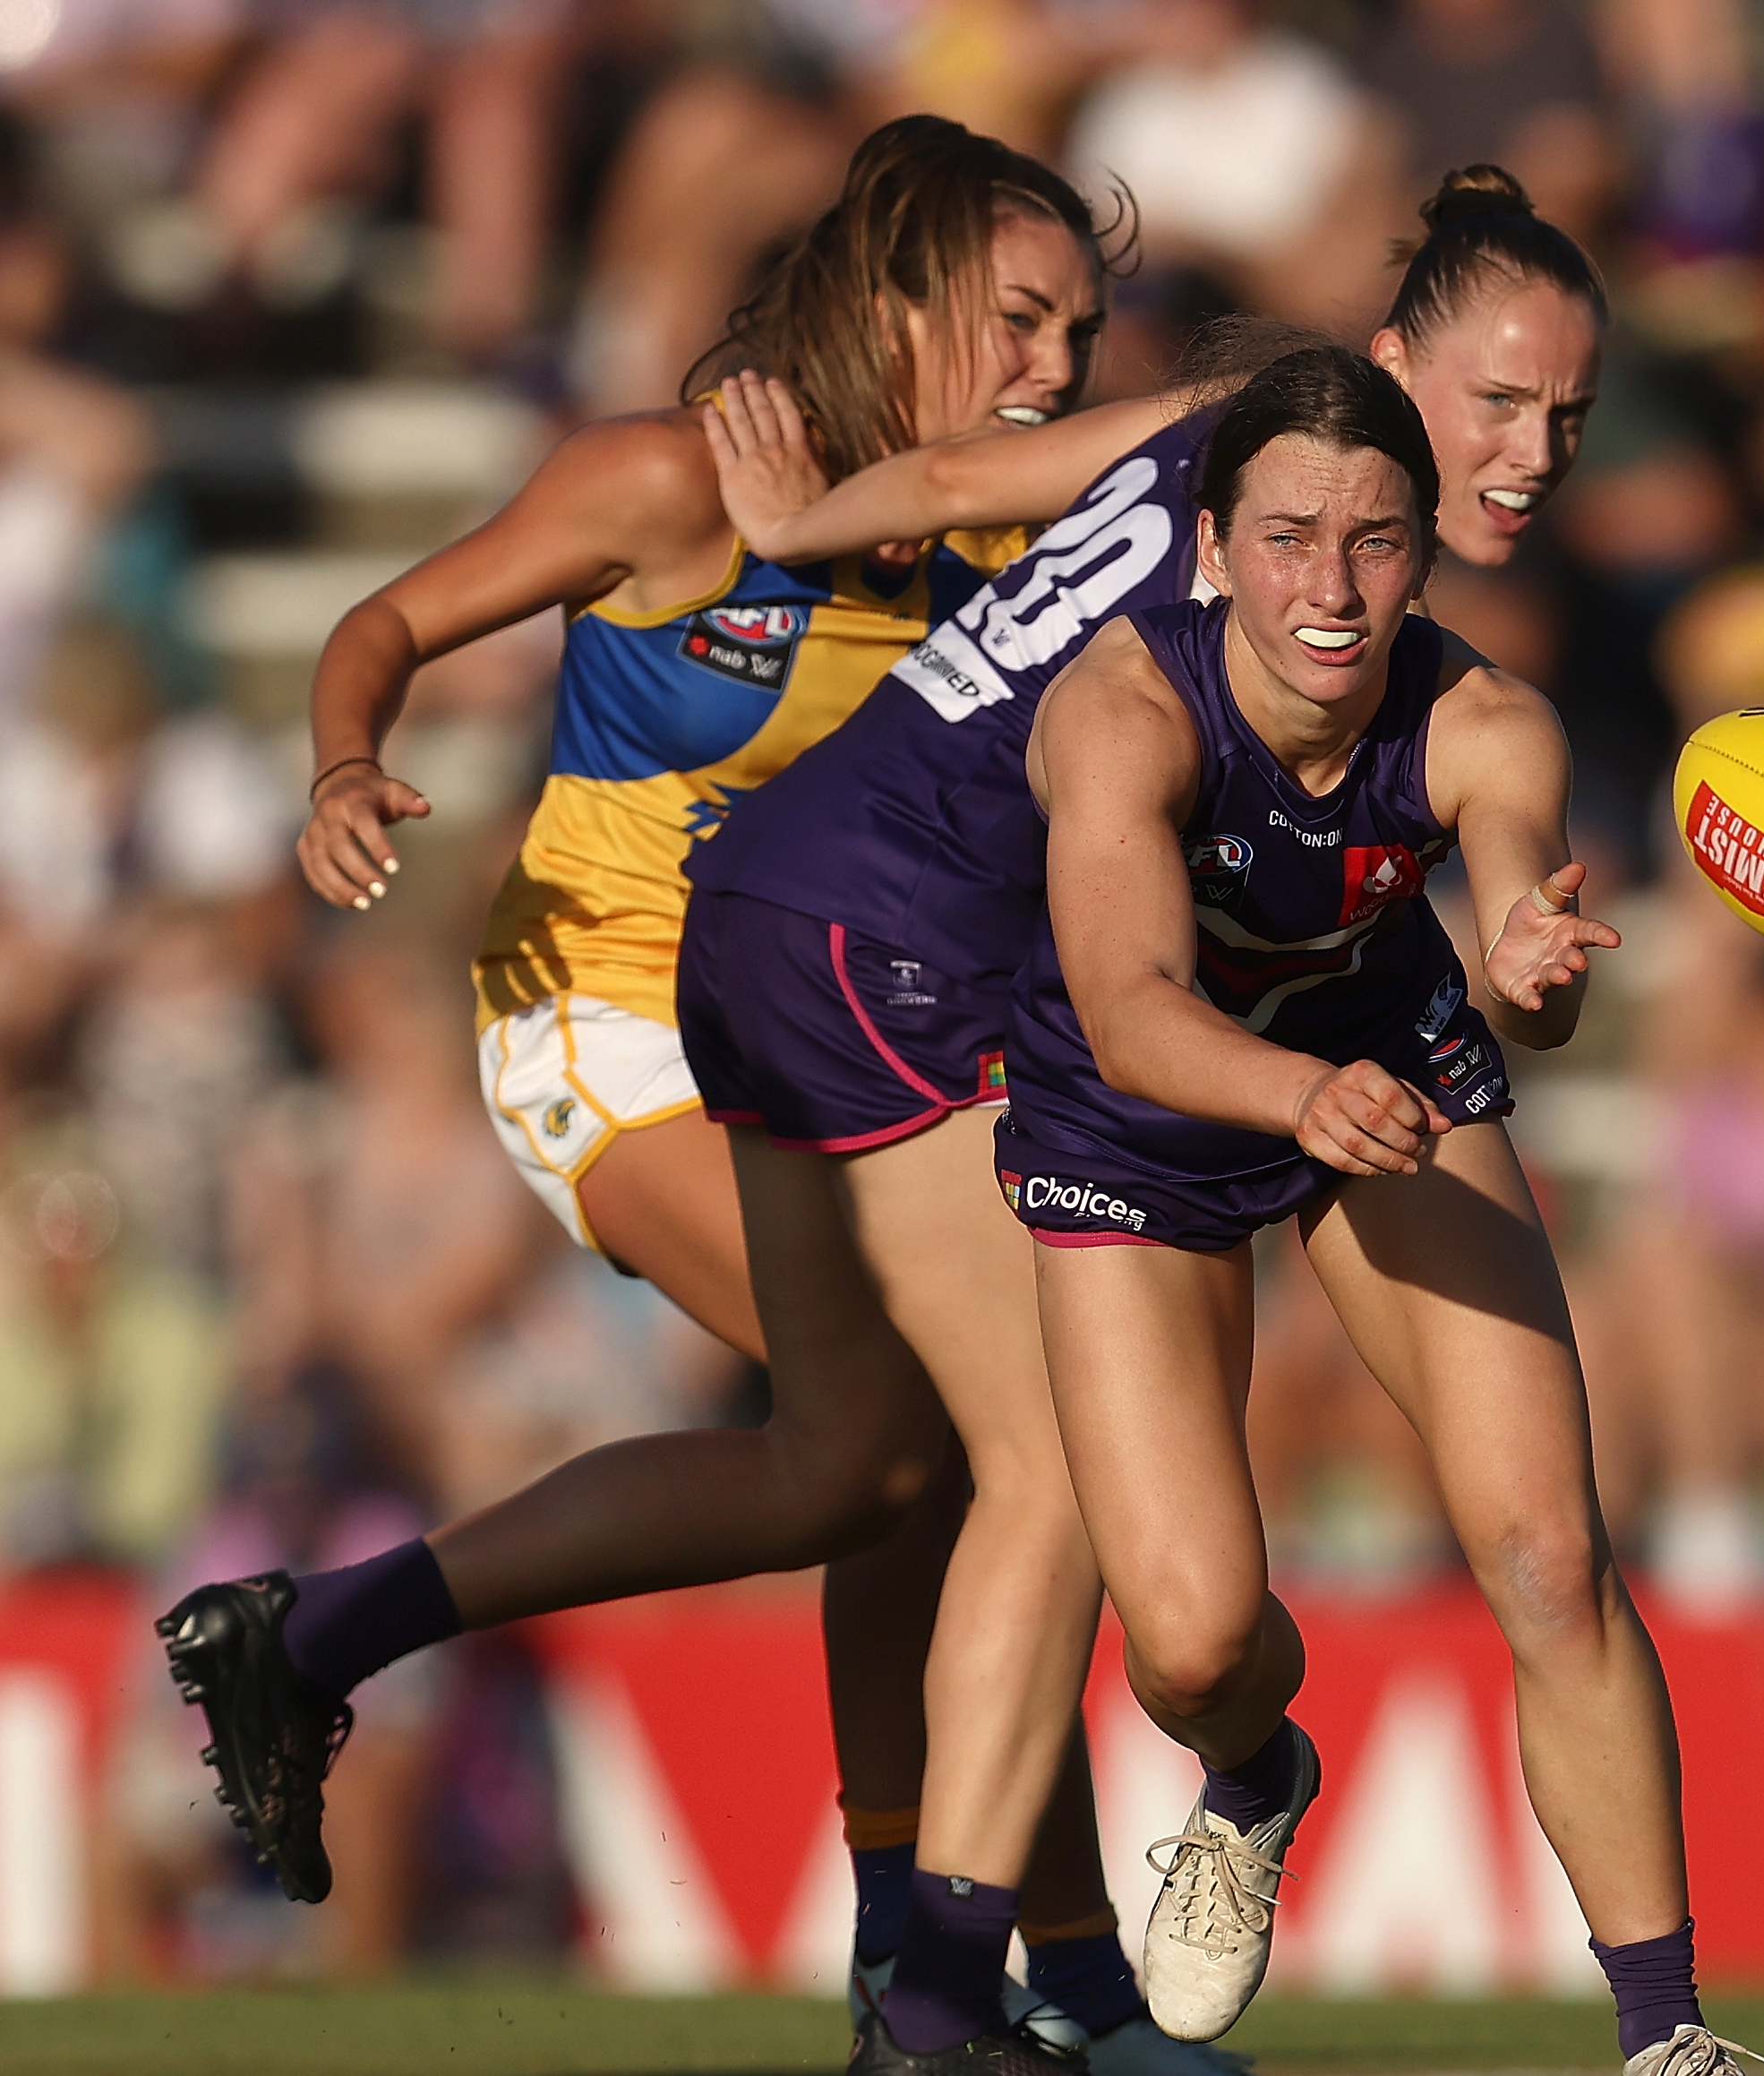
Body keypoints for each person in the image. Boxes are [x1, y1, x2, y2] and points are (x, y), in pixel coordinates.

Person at [154, 116, 1186, 2072]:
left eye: (1082, 328)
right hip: (601, 1022)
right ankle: (1017, 1983)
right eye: (1022, 321)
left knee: (914, 1469)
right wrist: (342, 767)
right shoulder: (661, 475)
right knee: (928, 1440)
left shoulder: (1001, 536)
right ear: (895, 304)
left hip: (839, 1042)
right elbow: (380, 623)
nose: (1058, 368)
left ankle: (322, 1649)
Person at [672, 167, 1607, 2070]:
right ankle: (942, 2000)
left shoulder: (1213, 434)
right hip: (910, 934)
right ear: (1388, 365)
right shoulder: (1289, 578)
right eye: (1494, 408)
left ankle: (1021, 1990)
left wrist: (798, 525)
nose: (1524, 456)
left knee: (887, 1468)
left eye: (1559, 423)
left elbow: (949, 490)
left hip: (788, 911)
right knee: (1023, 1475)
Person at [996, 345, 1743, 2076]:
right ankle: (1255, 1775)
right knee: (1186, 1639)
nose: (1330, 589)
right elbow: (1127, 1006)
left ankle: (1669, 2036)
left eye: (1378, 541)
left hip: (1393, 1083)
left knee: (1550, 1549)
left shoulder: (1485, 718)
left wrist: (1535, 966)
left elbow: (1514, 917)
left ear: (1427, 550)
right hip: (1141, 1119)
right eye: (1288, 536)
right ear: (1213, 543)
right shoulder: (1120, 709)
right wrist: (1296, 1097)